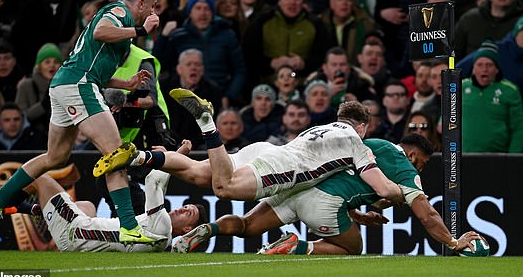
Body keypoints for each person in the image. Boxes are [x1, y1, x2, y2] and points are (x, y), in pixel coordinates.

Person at [0, 0, 160, 245]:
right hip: (77, 86)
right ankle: (129, 227)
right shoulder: (119, 12)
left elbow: (96, 71)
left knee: (55, 157)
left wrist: (126, 84)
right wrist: (140, 29)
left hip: (66, 84)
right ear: (140, 3)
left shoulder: (123, 33)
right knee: (117, 154)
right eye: (152, 7)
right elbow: (100, 32)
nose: (154, 13)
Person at [170, 135, 480, 256]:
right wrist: (453, 241)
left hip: (298, 187)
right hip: (323, 204)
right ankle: (298, 245)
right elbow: (427, 213)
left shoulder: (375, 143)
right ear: (413, 155)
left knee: (248, 226)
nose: (421, 170)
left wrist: (359, 212)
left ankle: (206, 230)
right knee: (353, 248)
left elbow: (345, 177)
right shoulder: (405, 168)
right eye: (423, 163)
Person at [94, 96, 403, 204]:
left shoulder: (321, 129)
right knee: (222, 188)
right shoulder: (355, 142)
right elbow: (385, 189)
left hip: (263, 151)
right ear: (363, 126)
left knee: (196, 173)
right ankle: (207, 123)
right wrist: (406, 194)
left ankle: (137, 156)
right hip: (279, 166)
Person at [0, 153, 207, 252]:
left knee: (38, 178)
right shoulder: (161, 242)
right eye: (188, 206)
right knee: (86, 205)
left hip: (75, 233)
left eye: (189, 213)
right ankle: (19, 208)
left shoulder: (162, 225)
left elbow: (154, 180)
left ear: (185, 229)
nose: (183, 207)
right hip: (84, 232)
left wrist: (173, 156)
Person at [154, 0, 246, 108]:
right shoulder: (179, 36)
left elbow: (240, 71)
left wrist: (229, 97)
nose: (203, 13)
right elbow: (159, 65)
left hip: (217, 99)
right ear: (190, 12)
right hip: (184, 101)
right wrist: (163, 36)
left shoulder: (227, 35)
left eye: (207, 8)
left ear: (213, 12)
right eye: (198, 8)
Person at [243, 0, 329, 85]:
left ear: (303, 2)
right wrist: (272, 63)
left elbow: (323, 57)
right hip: (267, 85)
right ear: (280, 0)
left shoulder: (315, 24)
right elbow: (249, 54)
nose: (292, 2)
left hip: (302, 84)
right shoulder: (262, 21)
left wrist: (304, 64)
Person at [462, 39, 523, 152]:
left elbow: (519, 128)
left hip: (498, 158)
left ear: (496, 69)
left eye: (489, 65)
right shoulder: (460, 88)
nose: (484, 69)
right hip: (464, 156)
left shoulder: (510, 90)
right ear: (473, 69)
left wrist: (514, 158)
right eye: (479, 65)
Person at [160, 48, 223, 150]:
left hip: (201, 145)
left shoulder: (213, 90)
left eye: (197, 65)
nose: (193, 68)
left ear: (203, 69)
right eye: (188, 64)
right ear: (179, 69)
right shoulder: (164, 87)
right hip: (169, 143)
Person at [455, 0, 522, 59]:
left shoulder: (520, 22)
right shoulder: (470, 19)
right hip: (470, 70)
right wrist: (451, 68)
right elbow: (453, 52)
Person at [14, 43, 63, 135]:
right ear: (39, 66)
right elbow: (21, 117)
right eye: (47, 62)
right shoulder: (26, 85)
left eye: (56, 62)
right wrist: (43, 105)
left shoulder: (65, 87)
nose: (52, 65)